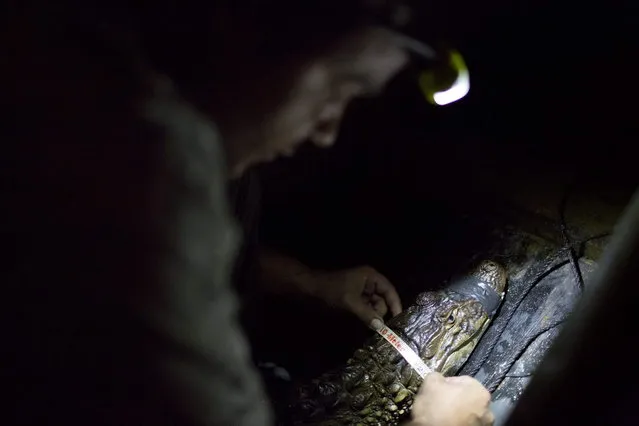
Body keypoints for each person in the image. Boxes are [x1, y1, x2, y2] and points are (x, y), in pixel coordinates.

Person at [4, 1, 493, 425]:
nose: (327, 131)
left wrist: (311, 281)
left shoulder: (157, 98)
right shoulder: (142, 176)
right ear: (251, 27)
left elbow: (204, 267)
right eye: (343, 86)